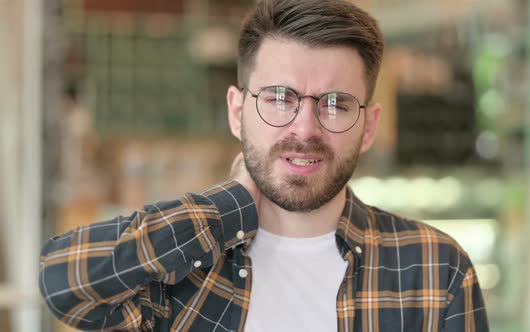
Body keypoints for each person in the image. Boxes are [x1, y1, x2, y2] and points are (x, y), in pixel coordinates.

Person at [39, 0, 489, 331]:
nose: (306, 128)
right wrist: (230, 204)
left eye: (335, 104)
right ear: (237, 112)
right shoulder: (182, 269)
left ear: (368, 126)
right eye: (279, 98)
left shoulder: (435, 270)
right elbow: (62, 282)